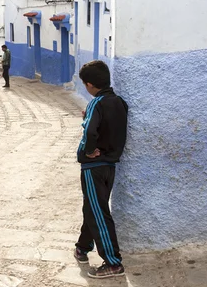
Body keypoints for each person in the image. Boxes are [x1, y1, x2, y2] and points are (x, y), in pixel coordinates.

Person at [74, 60, 128, 279]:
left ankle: (113, 262)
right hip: (109, 166)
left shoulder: (97, 103)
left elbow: (90, 132)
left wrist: (87, 151)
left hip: (93, 167)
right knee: (93, 207)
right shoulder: (120, 102)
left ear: (89, 85)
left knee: (98, 212)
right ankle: (82, 247)